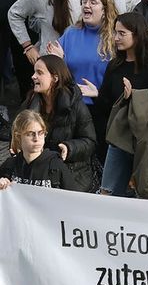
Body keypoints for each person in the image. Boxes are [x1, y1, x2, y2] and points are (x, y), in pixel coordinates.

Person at [95, 11, 148, 197]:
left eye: (122, 33)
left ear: (137, 35)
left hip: (145, 141)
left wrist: (134, 97)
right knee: (108, 192)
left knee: (147, 193)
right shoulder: (114, 65)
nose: (116, 38)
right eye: (115, 32)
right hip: (119, 138)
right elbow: (106, 105)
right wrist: (97, 95)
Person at [19, 55, 96, 190]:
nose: (33, 76)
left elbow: (90, 141)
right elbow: (16, 131)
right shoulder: (29, 102)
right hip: (37, 173)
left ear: (55, 78)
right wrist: (16, 144)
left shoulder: (76, 106)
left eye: (39, 73)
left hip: (72, 175)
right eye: (34, 72)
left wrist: (69, 147)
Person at [0, 111, 83, 190]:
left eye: (41, 133)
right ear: (18, 137)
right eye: (30, 134)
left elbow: (76, 198)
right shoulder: (10, 165)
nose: (36, 139)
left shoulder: (55, 165)